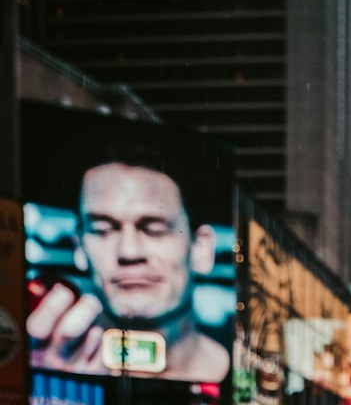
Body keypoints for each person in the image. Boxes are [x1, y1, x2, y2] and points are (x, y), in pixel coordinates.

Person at [27, 147, 230, 382]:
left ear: (201, 249)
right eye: (103, 230)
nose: (129, 252)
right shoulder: (41, 362)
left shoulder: (242, 378)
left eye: (155, 230)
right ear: (80, 248)